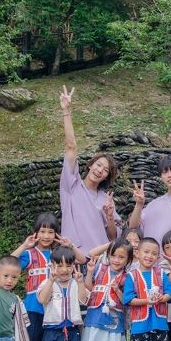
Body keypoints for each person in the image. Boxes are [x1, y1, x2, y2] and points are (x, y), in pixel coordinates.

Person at [11, 213, 86, 341]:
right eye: (42, 231)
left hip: (57, 310)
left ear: (56, 234)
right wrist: (24, 245)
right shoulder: (29, 254)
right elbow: (10, 263)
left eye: (50, 232)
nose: (46, 236)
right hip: (34, 307)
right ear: (35, 233)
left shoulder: (59, 255)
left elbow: (82, 260)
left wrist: (70, 245)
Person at [59, 85, 121, 255]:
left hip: (101, 260)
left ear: (107, 177)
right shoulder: (71, 186)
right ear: (90, 165)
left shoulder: (106, 199)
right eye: (98, 164)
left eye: (106, 170)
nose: (100, 170)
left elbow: (113, 236)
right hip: (75, 257)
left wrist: (109, 216)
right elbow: (71, 147)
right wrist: (66, 111)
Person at [82, 238, 133, 341]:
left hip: (114, 318)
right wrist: (89, 271)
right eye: (113, 255)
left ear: (128, 260)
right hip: (96, 316)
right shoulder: (99, 269)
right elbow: (89, 287)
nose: (116, 260)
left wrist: (117, 290)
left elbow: (126, 301)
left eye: (121, 257)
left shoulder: (127, 277)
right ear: (108, 255)